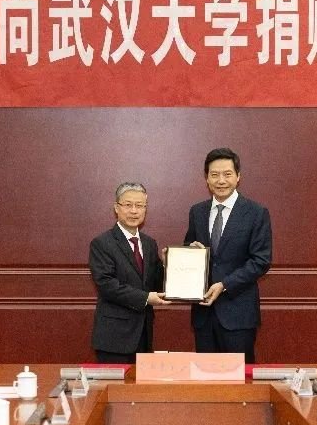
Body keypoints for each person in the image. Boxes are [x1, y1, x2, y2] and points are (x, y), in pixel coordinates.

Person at [184, 148, 272, 363]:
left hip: (238, 314)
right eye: (214, 175)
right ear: (206, 178)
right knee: (205, 376)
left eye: (227, 174)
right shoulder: (197, 212)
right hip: (204, 314)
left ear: (238, 176)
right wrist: (184, 253)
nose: (221, 180)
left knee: (239, 377)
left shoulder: (256, 212)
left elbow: (261, 261)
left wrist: (225, 284)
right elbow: (190, 247)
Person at [89, 182, 170, 363]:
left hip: (143, 335)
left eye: (139, 205)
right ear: (116, 208)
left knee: (140, 383)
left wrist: (166, 265)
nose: (134, 211)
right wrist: (146, 298)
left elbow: (155, 284)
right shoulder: (102, 243)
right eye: (128, 205)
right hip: (114, 338)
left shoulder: (149, 243)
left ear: (145, 209)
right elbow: (107, 285)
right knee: (114, 382)